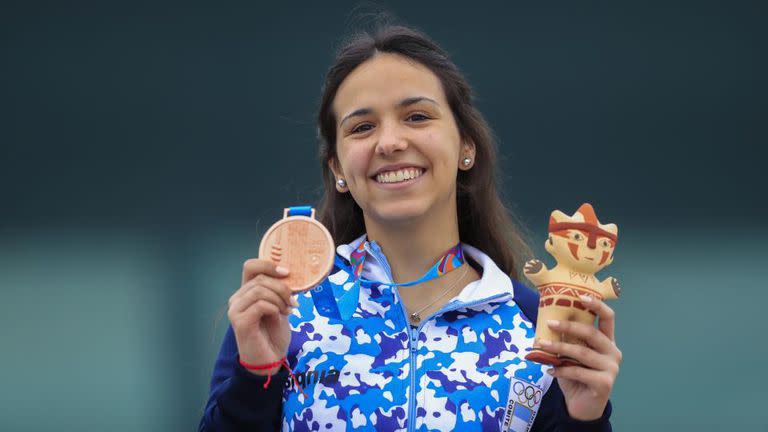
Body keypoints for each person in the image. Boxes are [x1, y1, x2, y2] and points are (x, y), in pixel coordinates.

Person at [199, 24, 622, 432]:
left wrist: (583, 420)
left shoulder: (536, 326)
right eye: (362, 127)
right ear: (338, 169)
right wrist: (255, 378)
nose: (390, 142)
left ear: (466, 147)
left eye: (417, 117)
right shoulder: (286, 311)